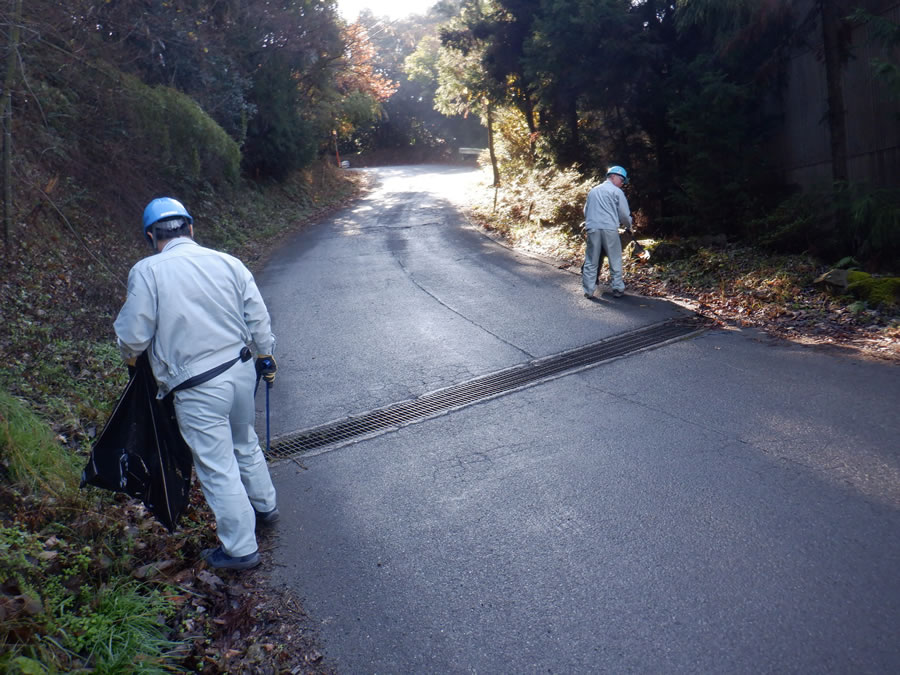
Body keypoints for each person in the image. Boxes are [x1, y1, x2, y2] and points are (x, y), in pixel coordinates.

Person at [114, 197, 279, 571]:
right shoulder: (227, 261)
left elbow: (134, 337)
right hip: (239, 370)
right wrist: (266, 355)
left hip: (196, 385)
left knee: (217, 465)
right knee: (245, 441)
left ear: (151, 236)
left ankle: (240, 549)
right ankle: (266, 506)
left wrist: (129, 355)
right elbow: (258, 315)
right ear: (190, 228)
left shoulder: (147, 271)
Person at [581, 165, 633, 299]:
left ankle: (588, 290)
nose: (622, 184)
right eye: (622, 180)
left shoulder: (593, 191)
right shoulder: (616, 192)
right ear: (614, 177)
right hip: (609, 228)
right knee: (614, 258)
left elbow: (586, 211)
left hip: (592, 227)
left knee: (591, 259)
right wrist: (629, 226)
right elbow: (624, 215)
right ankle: (617, 288)